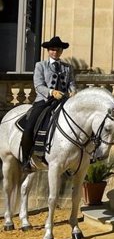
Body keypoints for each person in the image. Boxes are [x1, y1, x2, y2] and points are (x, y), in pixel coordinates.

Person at [19, 36, 77, 171]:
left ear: (61, 51)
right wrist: (51, 92)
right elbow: (38, 85)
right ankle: (26, 158)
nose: (55, 52)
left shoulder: (68, 68)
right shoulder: (40, 65)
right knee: (29, 127)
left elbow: (72, 83)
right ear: (48, 51)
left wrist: (73, 92)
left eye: (57, 49)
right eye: (52, 49)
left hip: (63, 101)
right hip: (44, 101)